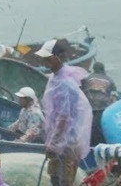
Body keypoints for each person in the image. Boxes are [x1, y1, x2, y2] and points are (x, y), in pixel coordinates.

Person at [37, 40, 91, 186]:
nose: (44, 61)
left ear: (57, 57)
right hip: (60, 142)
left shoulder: (64, 83)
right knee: (55, 178)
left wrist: (53, 144)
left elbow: (63, 118)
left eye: (47, 58)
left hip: (67, 144)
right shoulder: (56, 78)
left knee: (63, 181)